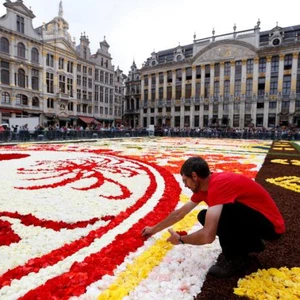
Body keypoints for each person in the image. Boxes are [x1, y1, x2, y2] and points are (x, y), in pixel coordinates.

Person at [141, 156, 285, 278]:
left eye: (185, 181)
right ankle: (252, 244)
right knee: (205, 215)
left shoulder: (218, 185)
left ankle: (234, 259)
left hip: (272, 227)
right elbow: (179, 213)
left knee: (221, 214)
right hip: (258, 221)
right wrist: (153, 229)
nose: (185, 185)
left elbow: (207, 236)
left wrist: (181, 240)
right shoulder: (205, 186)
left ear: (195, 176)